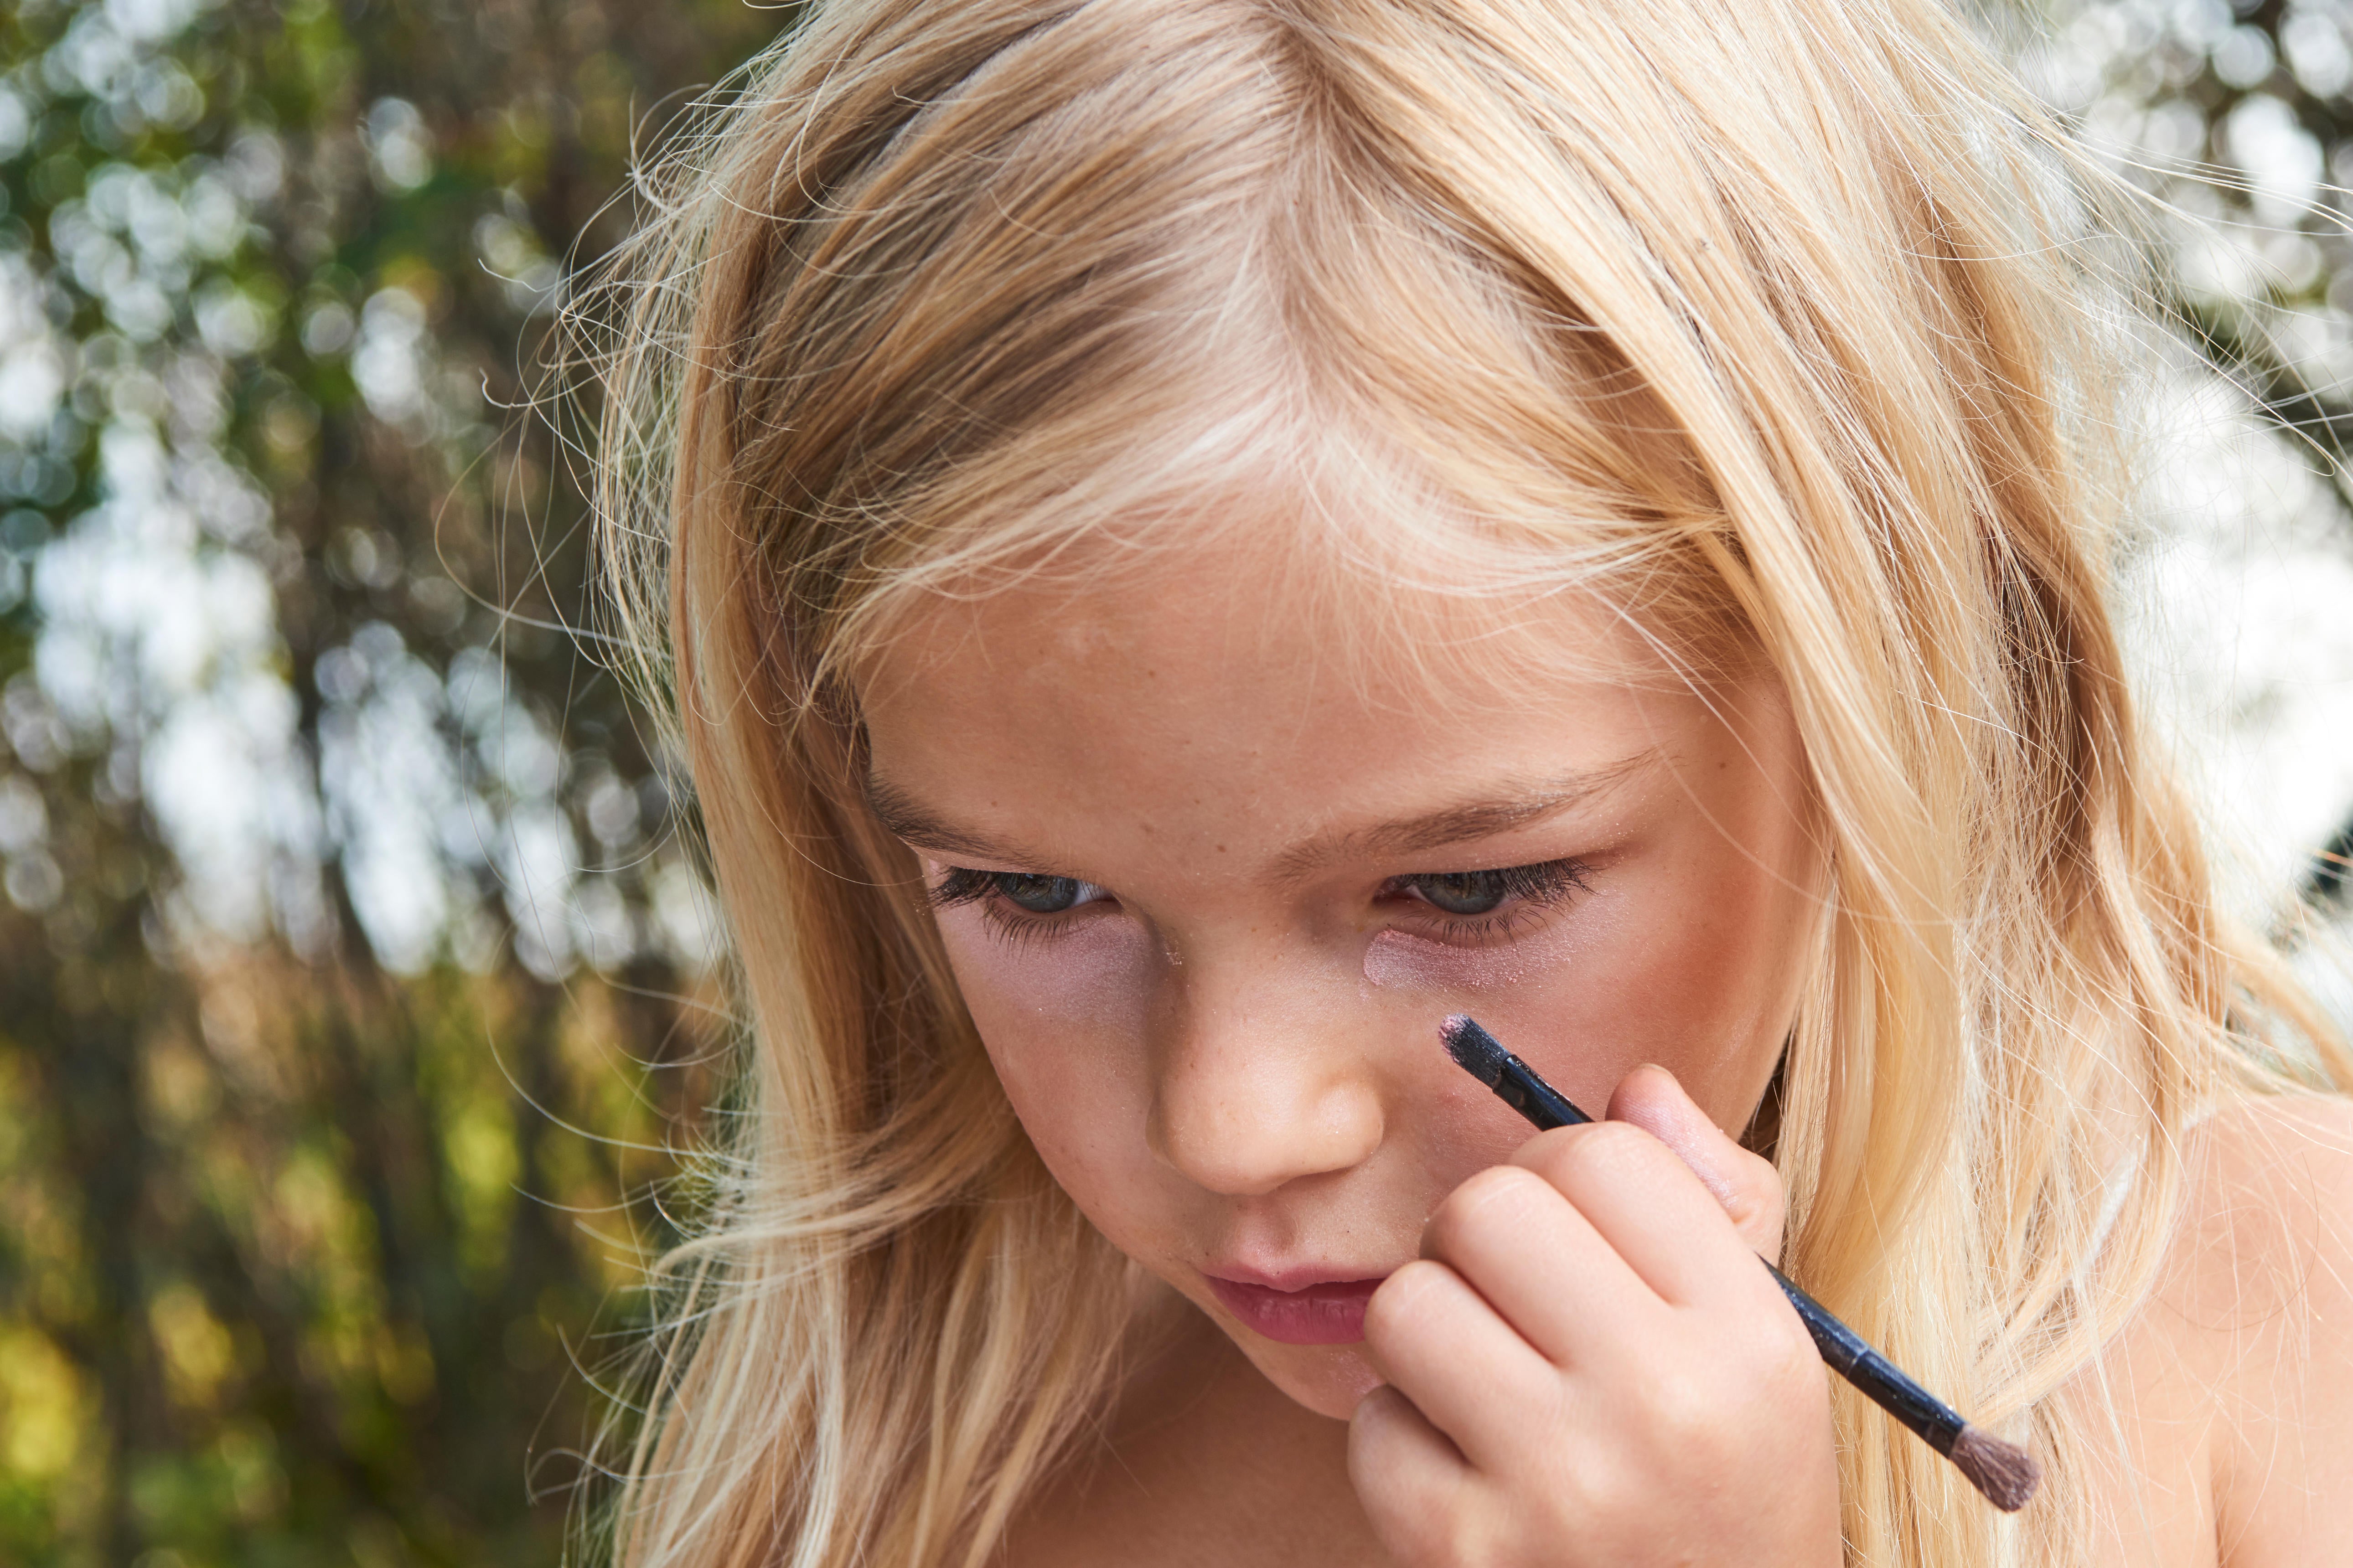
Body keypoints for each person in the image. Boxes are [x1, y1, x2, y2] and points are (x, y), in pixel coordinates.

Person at [574, 0, 2353, 1562]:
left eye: (1468, 888)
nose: (1234, 1121)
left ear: (1880, 691)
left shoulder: (2281, 1314)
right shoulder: (920, 1500)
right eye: (1037, 891)